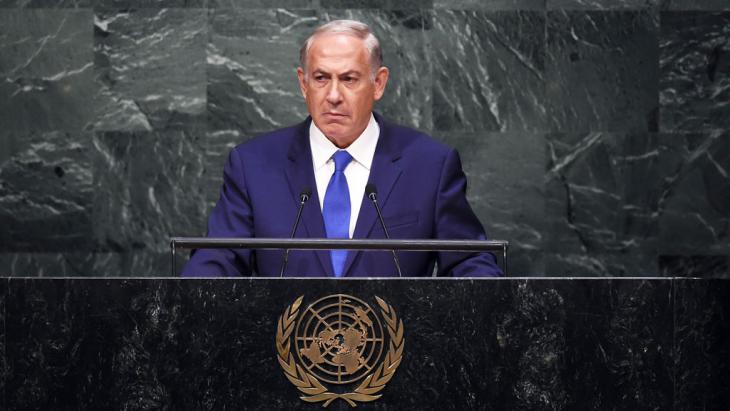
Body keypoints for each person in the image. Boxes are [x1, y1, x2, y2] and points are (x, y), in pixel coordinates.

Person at [182, 19, 502, 277]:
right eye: (321, 78)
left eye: (349, 79)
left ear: (378, 83)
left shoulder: (430, 165)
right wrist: (187, 299)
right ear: (303, 83)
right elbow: (218, 258)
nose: (333, 95)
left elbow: (468, 262)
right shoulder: (253, 165)